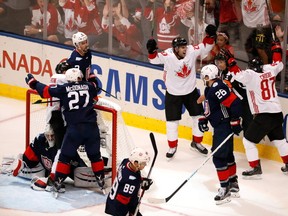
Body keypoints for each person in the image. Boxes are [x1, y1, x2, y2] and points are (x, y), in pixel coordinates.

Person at [25, 68, 106, 194]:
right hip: (91, 128)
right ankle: (101, 180)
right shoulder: (89, 86)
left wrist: (33, 82)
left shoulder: (64, 89)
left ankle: (57, 181)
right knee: (95, 156)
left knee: (64, 156)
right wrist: (91, 76)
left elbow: (45, 91)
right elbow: (95, 85)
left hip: (75, 130)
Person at [146, 25, 216, 159]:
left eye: (185, 46)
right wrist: (151, 50)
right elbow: (153, 60)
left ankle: (196, 143)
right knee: (172, 122)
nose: (185, 49)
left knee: (199, 117)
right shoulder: (168, 55)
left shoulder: (191, 51)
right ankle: (172, 146)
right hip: (173, 94)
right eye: (182, 47)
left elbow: (205, 47)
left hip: (191, 92)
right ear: (176, 49)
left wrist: (210, 36)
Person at [227, 40, 288, 178]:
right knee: (280, 141)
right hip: (276, 113)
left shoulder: (250, 75)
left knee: (248, 141)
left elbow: (236, 73)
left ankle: (255, 168)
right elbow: (278, 62)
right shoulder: (269, 70)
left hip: (264, 115)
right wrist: (276, 47)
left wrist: (230, 60)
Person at [199, 64, 242, 205]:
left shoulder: (217, 87)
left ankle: (225, 188)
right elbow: (212, 106)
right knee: (227, 155)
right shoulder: (211, 87)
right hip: (221, 125)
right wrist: (204, 118)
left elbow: (235, 103)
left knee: (218, 157)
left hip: (224, 126)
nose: (202, 77)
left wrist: (235, 121)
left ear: (208, 76)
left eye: (204, 75)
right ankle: (233, 184)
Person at [7, 124, 86, 192]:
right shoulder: (39, 140)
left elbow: (61, 171)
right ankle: (9, 163)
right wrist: (21, 163)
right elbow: (27, 159)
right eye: (47, 135)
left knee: (85, 178)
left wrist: (50, 180)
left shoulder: (63, 145)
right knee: (27, 167)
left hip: (70, 166)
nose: (50, 138)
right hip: (48, 170)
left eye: (52, 135)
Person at [105, 147, 153, 216]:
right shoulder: (130, 180)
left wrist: (142, 180)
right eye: (143, 163)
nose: (145, 164)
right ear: (136, 163)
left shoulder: (126, 162)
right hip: (119, 207)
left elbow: (133, 178)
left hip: (115, 199)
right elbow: (123, 200)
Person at [214, 50, 253, 133]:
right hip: (236, 103)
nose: (219, 65)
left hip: (246, 103)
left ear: (227, 62)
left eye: (221, 62)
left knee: (248, 129)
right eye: (217, 62)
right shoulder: (221, 73)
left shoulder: (233, 73)